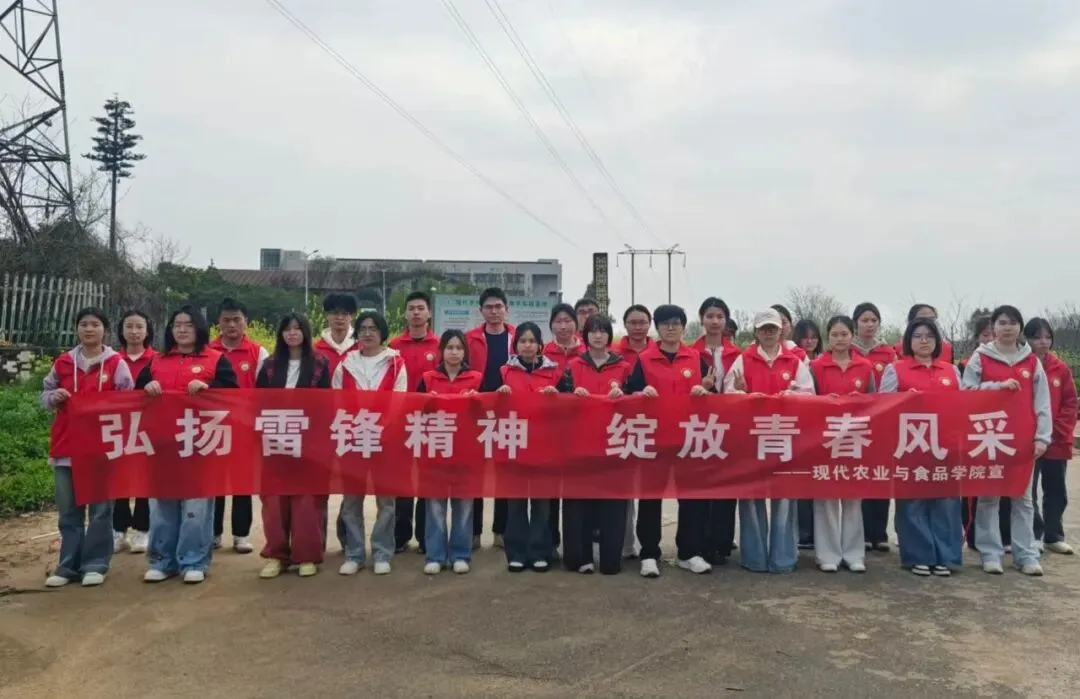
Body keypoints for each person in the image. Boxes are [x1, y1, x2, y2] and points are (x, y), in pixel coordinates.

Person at [137, 305, 238, 584]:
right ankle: (162, 561)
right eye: (177, 325)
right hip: (163, 445)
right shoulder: (156, 361)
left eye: (188, 324)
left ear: (199, 328)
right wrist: (146, 388)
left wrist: (209, 389)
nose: (182, 330)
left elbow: (234, 396)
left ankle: (194, 560)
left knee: (197, 508)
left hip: (200, 445)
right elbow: (134, 397)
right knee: (162, 507)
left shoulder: (215, 359)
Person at [41, 308, 135, 588]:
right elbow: (44, 394)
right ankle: (68, 564)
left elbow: (129, 399)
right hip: (66, 447)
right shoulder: (63, 363)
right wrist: (53, 397)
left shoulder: (116, 363)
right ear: (76, 329)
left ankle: (95, 563)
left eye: (95, 324)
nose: (89, 329)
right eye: (84, 324)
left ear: (105, 330)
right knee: (68, 510)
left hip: (101, 450)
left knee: (100, 510)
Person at [724, 308, 815, 573]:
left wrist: (793, 395)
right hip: (752, 439)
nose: (768, 333)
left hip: (785, 437)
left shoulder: (794, 361)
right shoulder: (743, 360)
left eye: (772, 328)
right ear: (756, 332)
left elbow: (810, 394)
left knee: (784, 497)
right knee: (751, 497)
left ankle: (783, 557)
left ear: (781, 330)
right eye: (763, 329)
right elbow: (728, 393)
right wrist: (741, 394)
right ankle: (754, 557)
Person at [624, 304, 712, 578]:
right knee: (650, 497)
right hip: (654, 438)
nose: (671, 328)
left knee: (691, 498)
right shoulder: (645, 360)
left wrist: (705, 391)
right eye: (665, 323)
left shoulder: (697, 359)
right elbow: (629, 395)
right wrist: (641, 393)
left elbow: (715, 396)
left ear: (684, 327)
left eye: (676, 323)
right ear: (657, 328)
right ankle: (649, 553)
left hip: (689, 438)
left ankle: (689, 553)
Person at [962, 305, 1049, 577]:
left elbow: (1042, 403)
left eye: (1012, 322)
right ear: (994, 327)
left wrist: (1042, 437)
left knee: (1023, 499)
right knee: (989, 497)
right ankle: (990, 553)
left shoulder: (1031, 361)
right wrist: (994, 387)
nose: (1007, 327)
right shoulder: (980, 357)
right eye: (1002, 322)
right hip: (989, 437)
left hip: (1022, 439)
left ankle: (1026, 555)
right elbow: (966, 391)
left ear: (1020, 327)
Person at [879, 318, 963, 577]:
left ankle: (946, 557)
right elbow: (882, 406)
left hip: (945, 446)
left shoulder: (951, 371)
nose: (924, 341)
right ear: (909, 341)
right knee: (912, 503)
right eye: (918, 336)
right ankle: (919, 555)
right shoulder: (896, 369)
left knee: (946, 504)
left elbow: (964, 406)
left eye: (929, 336)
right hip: (910, 447)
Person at [255, 313, 332, 579]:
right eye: (287, 329)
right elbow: (257, 402)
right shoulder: (269, 366)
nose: (292, 333)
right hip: (275, 441)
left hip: (309, 443)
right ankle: (277, 555)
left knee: (307, 501)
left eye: (297, 328)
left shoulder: (320, 364)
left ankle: (307, 555)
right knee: (274, 502)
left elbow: (326, 404)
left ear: (305, 333)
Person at [333, 310, 406, 576]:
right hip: (353, 439)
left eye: (373, 328)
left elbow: (399, 401)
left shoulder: (395, 363)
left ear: (382, 332)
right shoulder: (345, 363)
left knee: (386, 502)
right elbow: (336, 399)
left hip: (384, 441)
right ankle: (354, 554)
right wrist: (352, 429)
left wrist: (380, 429)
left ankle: (382, 552)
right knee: (352, 501)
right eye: (363, 328)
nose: (367, 333)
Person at [494, 322, 570, 571]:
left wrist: (556, 397)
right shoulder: (504, 371)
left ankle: (539, 552)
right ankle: (516, 552)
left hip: (544, 446)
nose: (527, 345)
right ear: (516, 345)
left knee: (542, 503)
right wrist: (499, 395)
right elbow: (487, 404)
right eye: (522, 341)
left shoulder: (555, 372)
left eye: (532, 341)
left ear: (540, 345)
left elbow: (569, 406)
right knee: (515, 503)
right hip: (514, 444)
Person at [563, 314, 632, 575]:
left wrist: (624, 396)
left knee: (613, 504)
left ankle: (611, 560)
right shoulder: (573, 366)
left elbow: (638, 399)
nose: (598, 335)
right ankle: (580, 558)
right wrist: (571, 397)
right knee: (578, 504)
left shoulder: (624, 367)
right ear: (585, 335)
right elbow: (557, 401)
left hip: (614, 443)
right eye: (593, 331)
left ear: (609, 335)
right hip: (579, 445)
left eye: (603, 331)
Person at [416, 329, 483, 575]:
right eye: (449, 347)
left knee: (464, 507)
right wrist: (426, 402)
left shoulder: (477, 379)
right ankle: (435, 555)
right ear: (441, 351)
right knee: (435, 507)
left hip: (466, 453)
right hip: (435, 452)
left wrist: (478, 401)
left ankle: (460, 554)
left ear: (465, 352)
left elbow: (489, 413)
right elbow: (413, 412)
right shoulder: (428, 378)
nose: (454, 352)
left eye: (459, 348)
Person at [810, 316, 873, 573]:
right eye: (835, 334)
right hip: (825, 438)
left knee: (853, 497)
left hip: (856, 438)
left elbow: (875, 401)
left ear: (852, 336)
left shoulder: (864, 366)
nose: (839, 339)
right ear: (828, 337)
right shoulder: (816, 366)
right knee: (826, 497)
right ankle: (827, 554)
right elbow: (808, 400)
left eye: (844, 334)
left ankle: (854, 554)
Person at [209, 297, 269, 554]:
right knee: (215, 482)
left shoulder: (258, 352)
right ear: (218, 323)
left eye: (237, 320)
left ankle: (241, 534)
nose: (231, 325)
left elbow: (264, 391)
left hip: (245, 426)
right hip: (214, 426)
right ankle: (213, 533)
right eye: (226, 320)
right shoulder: (207, 351)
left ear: (246, 322)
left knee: (242, 481)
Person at [688, 297, 738, 565]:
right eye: (710, 316)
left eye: (720, 316)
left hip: (729, 426)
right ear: (701, 319)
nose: (715, 321)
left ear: (726, 320)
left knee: (726, 488)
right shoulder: (690, 353)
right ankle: (698, 544)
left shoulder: (737, 355)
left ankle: (721, 543)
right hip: (698, 426)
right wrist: (702, 385)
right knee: (699, 488)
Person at [389, 291, 439, 555]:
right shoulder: (394, 346)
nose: (416, 313)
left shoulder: (440, 345)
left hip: (432, 421)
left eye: (421, 308)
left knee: (428, 479)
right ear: (405, 313)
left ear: (429, 313)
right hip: (400, 421)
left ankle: (425, 536)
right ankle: (400, 535)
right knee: (402, 480)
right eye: (412, 308)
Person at [465, 288, 515, 550]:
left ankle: (501, 530)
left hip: (509, 413)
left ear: (506, 309)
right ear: (481, 311)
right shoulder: (470, 339)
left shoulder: (516, 337)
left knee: (504, 473)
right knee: (475, 473)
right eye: (489, 307)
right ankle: (473, 531)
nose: (494, 311)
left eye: (498, 306)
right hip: (476, 413)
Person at [1025, 317, 1077, 555]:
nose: (1043, 342)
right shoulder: (1022, 366)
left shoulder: (1060, 369)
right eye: (1037, 337)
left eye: (1047, 337)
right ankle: (1035, 535)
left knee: (1055, 489)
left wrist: (1057, 430)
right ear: (1027, 339)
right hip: (1030, 440)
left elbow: (1070, 403)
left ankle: (1053, 535)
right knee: (1028, 491)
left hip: (1056, 440)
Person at [959, 315, 1008, 550]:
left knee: (1003, 488)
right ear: (977, 337)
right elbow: (965, 393)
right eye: (985, 335)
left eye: (992, 334)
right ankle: (974, 537)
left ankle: (1003, 538)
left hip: (1003, 432)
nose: (989, 339)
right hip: (975, 431)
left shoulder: (1015, 361)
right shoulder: (968, 363)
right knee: (974, 489)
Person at [851, 302, 897, 553]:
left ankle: (879, 533)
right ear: (855, 323)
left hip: (883, 421)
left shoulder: (889, 354)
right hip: (854, 423)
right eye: (864, 320)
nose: (869, 325)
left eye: (873, 320)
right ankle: (863, 533)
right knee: (859, 476)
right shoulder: (848, 350)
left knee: (881, 475)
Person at [313, 293, 358, 552]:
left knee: (351, 487)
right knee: (320, 485)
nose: (339, 318)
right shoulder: (315, 349)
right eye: (334, 313)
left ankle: (347, 538)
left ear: (351, 316)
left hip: (353, 426)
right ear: (326, 316)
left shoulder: (361, 346)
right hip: (322, 427)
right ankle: (316, 540)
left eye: (344, 313)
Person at [113, 309, 156, 555]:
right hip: (117, 427)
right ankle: (118, 530)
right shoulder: (111, 359)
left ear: (147, 331)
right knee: (118, 479)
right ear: (121, 330)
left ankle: (142, 529)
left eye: (139, 326)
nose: (134, 331)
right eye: (129, 326)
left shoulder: (157, 360)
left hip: (147, 427)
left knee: (144, 479)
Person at [541, 303, 583, 553]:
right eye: (558, 321)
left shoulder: (588, 351)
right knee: (549, 492)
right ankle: (550, 543)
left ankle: (574, 544)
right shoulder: (542, 353)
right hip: (548, 432)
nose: (563, 326)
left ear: (576, 324)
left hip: (580, 432)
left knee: (574, 491)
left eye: (568, 321)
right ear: (551, 325)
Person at [615, 303, 654, 559]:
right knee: (623, 490)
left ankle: (648, 545)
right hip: (622, 426)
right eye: (633, 323)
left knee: (650, 490)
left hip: (654, 428)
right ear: (625, 325)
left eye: (643, 322)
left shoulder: (658, 350)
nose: (638, 327)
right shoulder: (615, 353)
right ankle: (626, 544)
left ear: (650, 325)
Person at [792, 317, 822, 549]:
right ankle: (804, 532)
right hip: (799, 429)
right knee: (801, 481)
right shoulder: (794, 361)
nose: (810, 341)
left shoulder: (822, 362)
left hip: (823, 428)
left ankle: (819, 533)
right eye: (805, 337)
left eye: (814, 337)